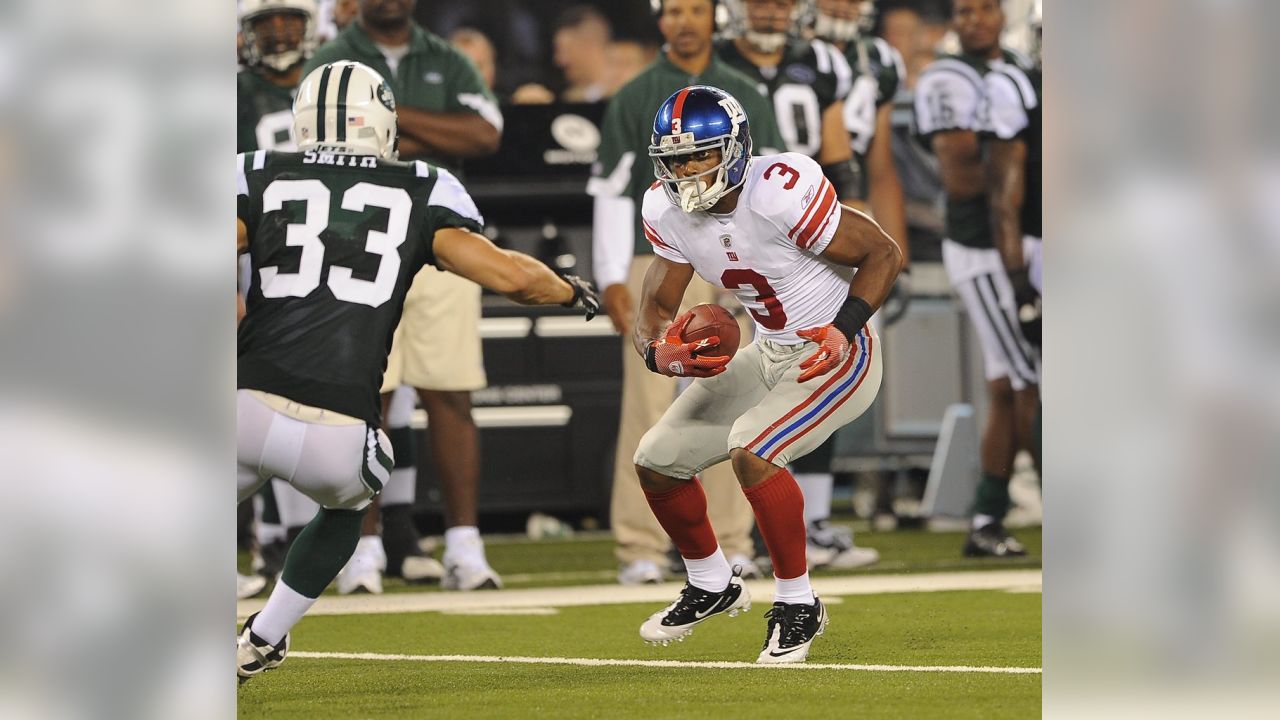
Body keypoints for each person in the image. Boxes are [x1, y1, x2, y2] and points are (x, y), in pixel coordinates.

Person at [236, 60, 599, 681]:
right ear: (384, 123)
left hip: (243, 407)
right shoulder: (423, 186)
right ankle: (265, 637)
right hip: (342, 430)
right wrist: (569, 291)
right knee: (355, 497)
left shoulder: (257, 172)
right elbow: (511, 277)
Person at [633, 85, 901, 663]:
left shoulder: (778, 191)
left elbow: (883, 252)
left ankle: (798, 602)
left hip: (834, 351)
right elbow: (655, 308)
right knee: (657, 460)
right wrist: (659, 352)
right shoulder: (668, 210)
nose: (685, 171)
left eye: (698, 155)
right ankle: (711, 583)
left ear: (732, 149)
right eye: (674, 158)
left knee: (751, 451)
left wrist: (844, 327)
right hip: (769, 349)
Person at [302, 0, 508, 593]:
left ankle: (465, 546)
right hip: (357, 238)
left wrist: (389, 116)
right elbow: (318, 142)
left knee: (451, 390)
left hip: (441, 235)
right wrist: (425, 128)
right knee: (363, 399)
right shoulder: (332, 56)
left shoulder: (446, 57)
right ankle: (359, 547)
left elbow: (483, 134)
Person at [589, 0, 787, 586]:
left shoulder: (744, 89)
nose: (683, 21)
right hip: (660, 250)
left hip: (733, 251)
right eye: (672, 10)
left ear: (713, 16)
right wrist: (612, 279)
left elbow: (776, 181)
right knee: (648, 401)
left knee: (733, 391)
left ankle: (731, 537)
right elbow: (610, 192)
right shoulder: (635, 93)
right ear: (659, 20)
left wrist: (770, 264)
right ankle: (641, 544)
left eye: (693, 9)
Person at [718, 0, 883, 570]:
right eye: (757, 2)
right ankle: (743, 532)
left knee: (816, 367)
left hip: (808, 227)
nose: (768, 13)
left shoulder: (823, 62)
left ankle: (808, 519)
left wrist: (858, 242)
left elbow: (841, 160)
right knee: (746, 378)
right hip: (735, 230)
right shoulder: (713, 65)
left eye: (780, 2)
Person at [913, 0, 1038, 557]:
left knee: (1007, 386)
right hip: (987, 248)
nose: (975, 20)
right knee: (1033, 379)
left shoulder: (1012, 69)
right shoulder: (947, 78)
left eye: (986, 8)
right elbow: (965, 177)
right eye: (964, 10)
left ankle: (987, 517)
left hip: (1022, 242)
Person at [236, 0, 323, 596]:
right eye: (266, 21)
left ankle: (281, 538)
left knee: (293, 397)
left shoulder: (331, 86)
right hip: (246, 251)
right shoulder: (232, 94)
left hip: (312, 257)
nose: (280, 31)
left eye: (289, 18)